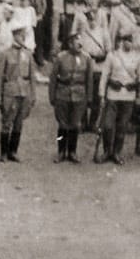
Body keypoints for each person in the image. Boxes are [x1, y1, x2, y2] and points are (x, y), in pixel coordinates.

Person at [0, 21, 37, 162]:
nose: (22, 38)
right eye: (20, 35)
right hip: (10, 92)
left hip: (24, 92)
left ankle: (13, 151)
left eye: (24, 35)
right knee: (7, 122)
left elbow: (32, 77)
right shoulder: (5, 54)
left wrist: (33, 95)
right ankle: (3, 153)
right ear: (14, 36)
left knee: (19, 123)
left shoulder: (28, 54)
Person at [48, 31, 91, 163]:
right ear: (70, 43)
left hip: (79, 95)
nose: (80, 44)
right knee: (62, 125)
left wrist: (89, 98)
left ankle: (72, 151)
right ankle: (61, 151)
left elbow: (89, 80)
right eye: (76, 41)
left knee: (75, 125)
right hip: (63, 94)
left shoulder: (86, 58)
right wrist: (52, 96)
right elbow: (53, 78)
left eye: (80, 41)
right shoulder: (61, 57)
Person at [96, 31, 139, 164]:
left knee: (122, 126)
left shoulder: (137, 57)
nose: (128, 43)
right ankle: (107, 151)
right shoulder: (112, 56)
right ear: (121, 41)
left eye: (131, 41)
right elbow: (104, 76)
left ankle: (116, 152)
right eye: (126, 40)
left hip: (128, 96)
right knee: (108, 125)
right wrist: (102, 95)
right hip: (113, 95)